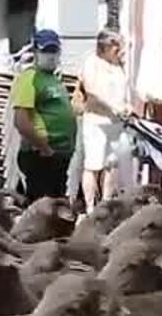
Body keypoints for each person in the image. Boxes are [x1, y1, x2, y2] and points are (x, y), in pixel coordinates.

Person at [11, 29, 75, 201]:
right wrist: (42, 146)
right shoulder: (30, 78)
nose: (51, 56)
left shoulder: (53, 78)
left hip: (58, 155)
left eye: (54, 51)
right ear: (35, 52)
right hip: (40, 155)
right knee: (43, 208)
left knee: (55, 206)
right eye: (46, 51)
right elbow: (21, 119)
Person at [76, 29, 131, 205]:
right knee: (93, 165)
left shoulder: (117, 65)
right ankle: (91, 205)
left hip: (115, 123)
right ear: (105, 47)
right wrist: (113, 107)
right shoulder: (92, 63)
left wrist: (126, 105)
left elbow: (123, 91)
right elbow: (92, 91)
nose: (119, 52)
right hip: (96, 121)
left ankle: (106, 202)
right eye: (116, 48)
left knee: (111, 164)